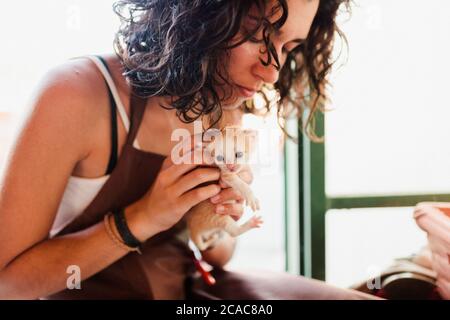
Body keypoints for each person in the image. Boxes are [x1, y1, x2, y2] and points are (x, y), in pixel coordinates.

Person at [0, 0, 377, 299]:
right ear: (199, 16)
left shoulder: (222, 101)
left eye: (288, 47)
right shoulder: (77, 94)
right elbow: (7, 285)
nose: (272, 72)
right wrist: (144, 217)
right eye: (255, 35)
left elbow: (217, 254)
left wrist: (215, 223)